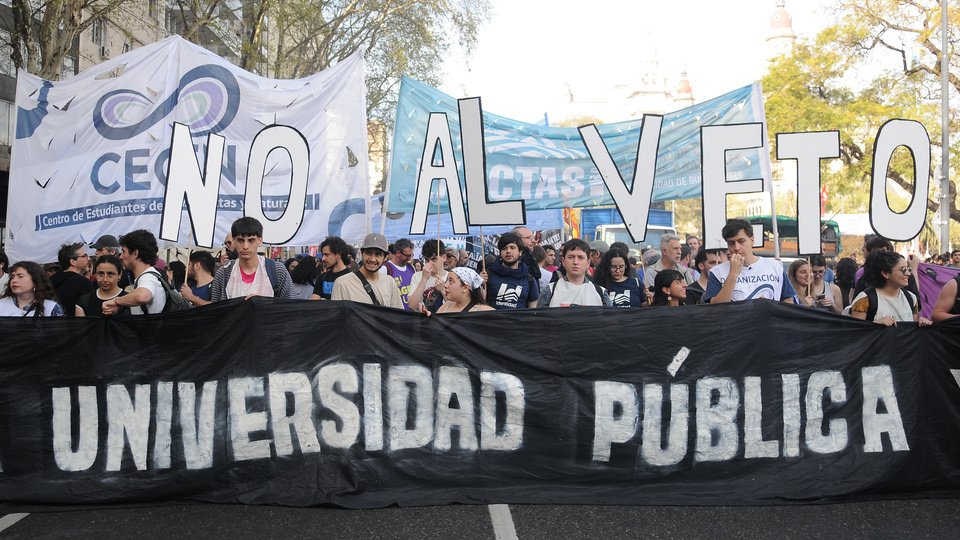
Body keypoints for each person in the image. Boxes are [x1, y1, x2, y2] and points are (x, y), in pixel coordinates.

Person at [703, 219, 796, 304]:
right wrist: (733, 274)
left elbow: (788, 299)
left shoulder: (775, 266)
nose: (736, 248)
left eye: (741, 241)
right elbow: (715, 307)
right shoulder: (717, 272)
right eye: (731, 243)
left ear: (752, 240)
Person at [210, 217, 295, 301]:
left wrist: (266, 304)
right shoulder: (223, 274)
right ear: (234, 241)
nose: (245, 246)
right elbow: (216, 311)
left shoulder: (277, 270)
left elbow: (291, 308)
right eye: (240, 240)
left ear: (260, 241)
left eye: (251, 240)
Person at [849, 250, 930, 326]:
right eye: (903, 269)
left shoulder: (911, 298)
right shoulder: (865, 299)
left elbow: (912, 331)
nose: (908, 273)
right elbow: (856, 332)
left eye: (908, 269)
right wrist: (875, 325)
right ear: (885, 273)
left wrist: (921, 323)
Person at [103, 229, 167, 315]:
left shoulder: (148, 278)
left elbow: (142, 296)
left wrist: (116, 301)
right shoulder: (148, 276)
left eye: (123, 251)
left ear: (135, 253)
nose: (121, 256)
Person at [331, 233, 403, 308]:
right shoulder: (342, 283)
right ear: (362, 254)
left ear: (385, 257)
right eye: (368, 253)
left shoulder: (389, 282)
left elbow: (397, 316)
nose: (372, 259)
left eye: (378, 254)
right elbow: (337, 317)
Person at [538, 239, 611, 307]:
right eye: (571, 257)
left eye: (580, 257)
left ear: (588, 263)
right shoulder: (550, 291)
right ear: (563, 261)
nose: (575, 262)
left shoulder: (600, 293)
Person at [485, 232, 540, 310]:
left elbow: (533, 311)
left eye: (512, 247)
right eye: (504, 248)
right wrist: (480, 283)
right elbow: (480, 304)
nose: (508, 251)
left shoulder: (529, 279)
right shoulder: (488, 275)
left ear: (520, 252)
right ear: (500, 252)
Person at [0, 261, 64, 316]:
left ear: (35, 280)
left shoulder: (51, 307)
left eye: (20, 276)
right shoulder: (2, 305)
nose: (14, 280)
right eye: (12, 276)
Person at [50, 242, 96, 316]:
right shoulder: (82, 283)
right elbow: (92, 311)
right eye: (85, 256)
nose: (89, 259)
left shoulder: (50, 281)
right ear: (73, 262)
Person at [408, 239, 449, 312]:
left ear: (444, 258)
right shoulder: (417, 276)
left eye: (434, 259)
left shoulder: (451, 277)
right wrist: (424, 278)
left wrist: (443, 290)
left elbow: (457, 307)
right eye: (427, 260)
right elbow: (412, 306)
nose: (430, 263)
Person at [310, 236, 354, 300]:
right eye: (323, 255)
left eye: (327, 255)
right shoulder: (321, 278)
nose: (323, 258)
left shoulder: (352, 278)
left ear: (338, 254)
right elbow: (314, 303)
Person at [384, 238, 416, 310]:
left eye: (411, 255)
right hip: (395, 316)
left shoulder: (411, 268)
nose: (409, 258)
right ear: (398, 253)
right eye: (407, 255)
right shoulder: (385, 269)